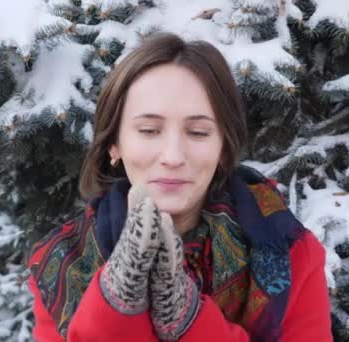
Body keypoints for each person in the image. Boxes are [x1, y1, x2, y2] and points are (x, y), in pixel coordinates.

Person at [27, 32, 332, 341]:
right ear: (114, 144)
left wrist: (186, 317)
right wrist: (117, 303)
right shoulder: (66, 264)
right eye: (148, 130)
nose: (172, 156)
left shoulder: (290, 253)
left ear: (224, 147)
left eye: (198, 132)